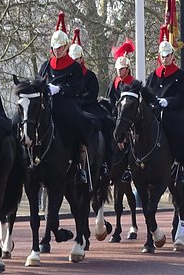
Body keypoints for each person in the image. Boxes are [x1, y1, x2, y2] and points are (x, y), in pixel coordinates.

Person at [38, 12, 96, 184]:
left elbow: (76, 88)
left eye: (59, 47)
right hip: (47, 103)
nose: (56, 50)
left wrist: (60, 89)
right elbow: (39, 81)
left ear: (65, 47)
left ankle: (79, 163)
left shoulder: (74, 68)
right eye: (54, 48)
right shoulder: (45, 66)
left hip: (66, 102)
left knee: (75, 121)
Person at [145, 30, 184, 186]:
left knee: (180, 132)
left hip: (175, 112)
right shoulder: (153, 76)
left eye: (167, 56)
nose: (165, 59)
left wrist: (168, 102)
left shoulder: (180, 75)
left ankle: (182, 166)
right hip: (156, 112)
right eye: (162, 56)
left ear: (172, 56)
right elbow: (148, 93)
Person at [68, 28, 113, 176]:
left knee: (104, 122)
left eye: (76, 59)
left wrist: (79, 101)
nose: (74, 62)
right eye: (72, 60)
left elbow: (92, 94)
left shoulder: (90, 76)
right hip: (72, 107)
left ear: (81, 59)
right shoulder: (67, 74)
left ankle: (106, 160)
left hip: (88, 106)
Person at [106, 39, 136, 109]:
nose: (119, 71)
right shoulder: (113, 84)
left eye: (122, 69)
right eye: (118, 69)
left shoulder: (133, 83)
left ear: (127, 69)